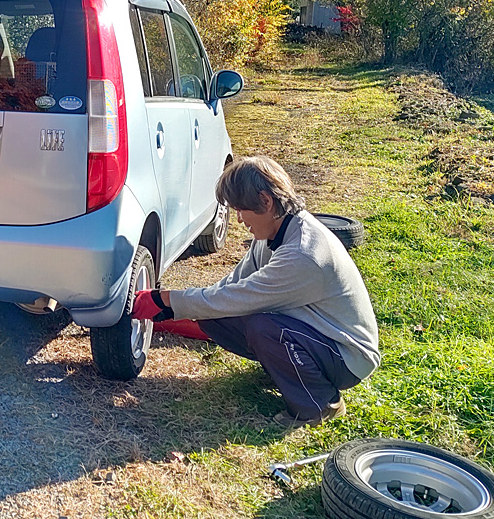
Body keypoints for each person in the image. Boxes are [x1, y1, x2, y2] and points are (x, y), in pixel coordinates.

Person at [132, 156, 380, 429]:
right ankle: (289, 370)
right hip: (315, 333)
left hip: (346, 355)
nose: (238, 219)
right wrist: (172, 307)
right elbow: (230, 288)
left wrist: (166, 300)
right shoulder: (274, 232)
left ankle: (319, 403)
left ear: (265, 201)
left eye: (241, 210)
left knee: (264, 328)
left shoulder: (304, 254)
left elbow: (240, 298)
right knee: (213, 313)